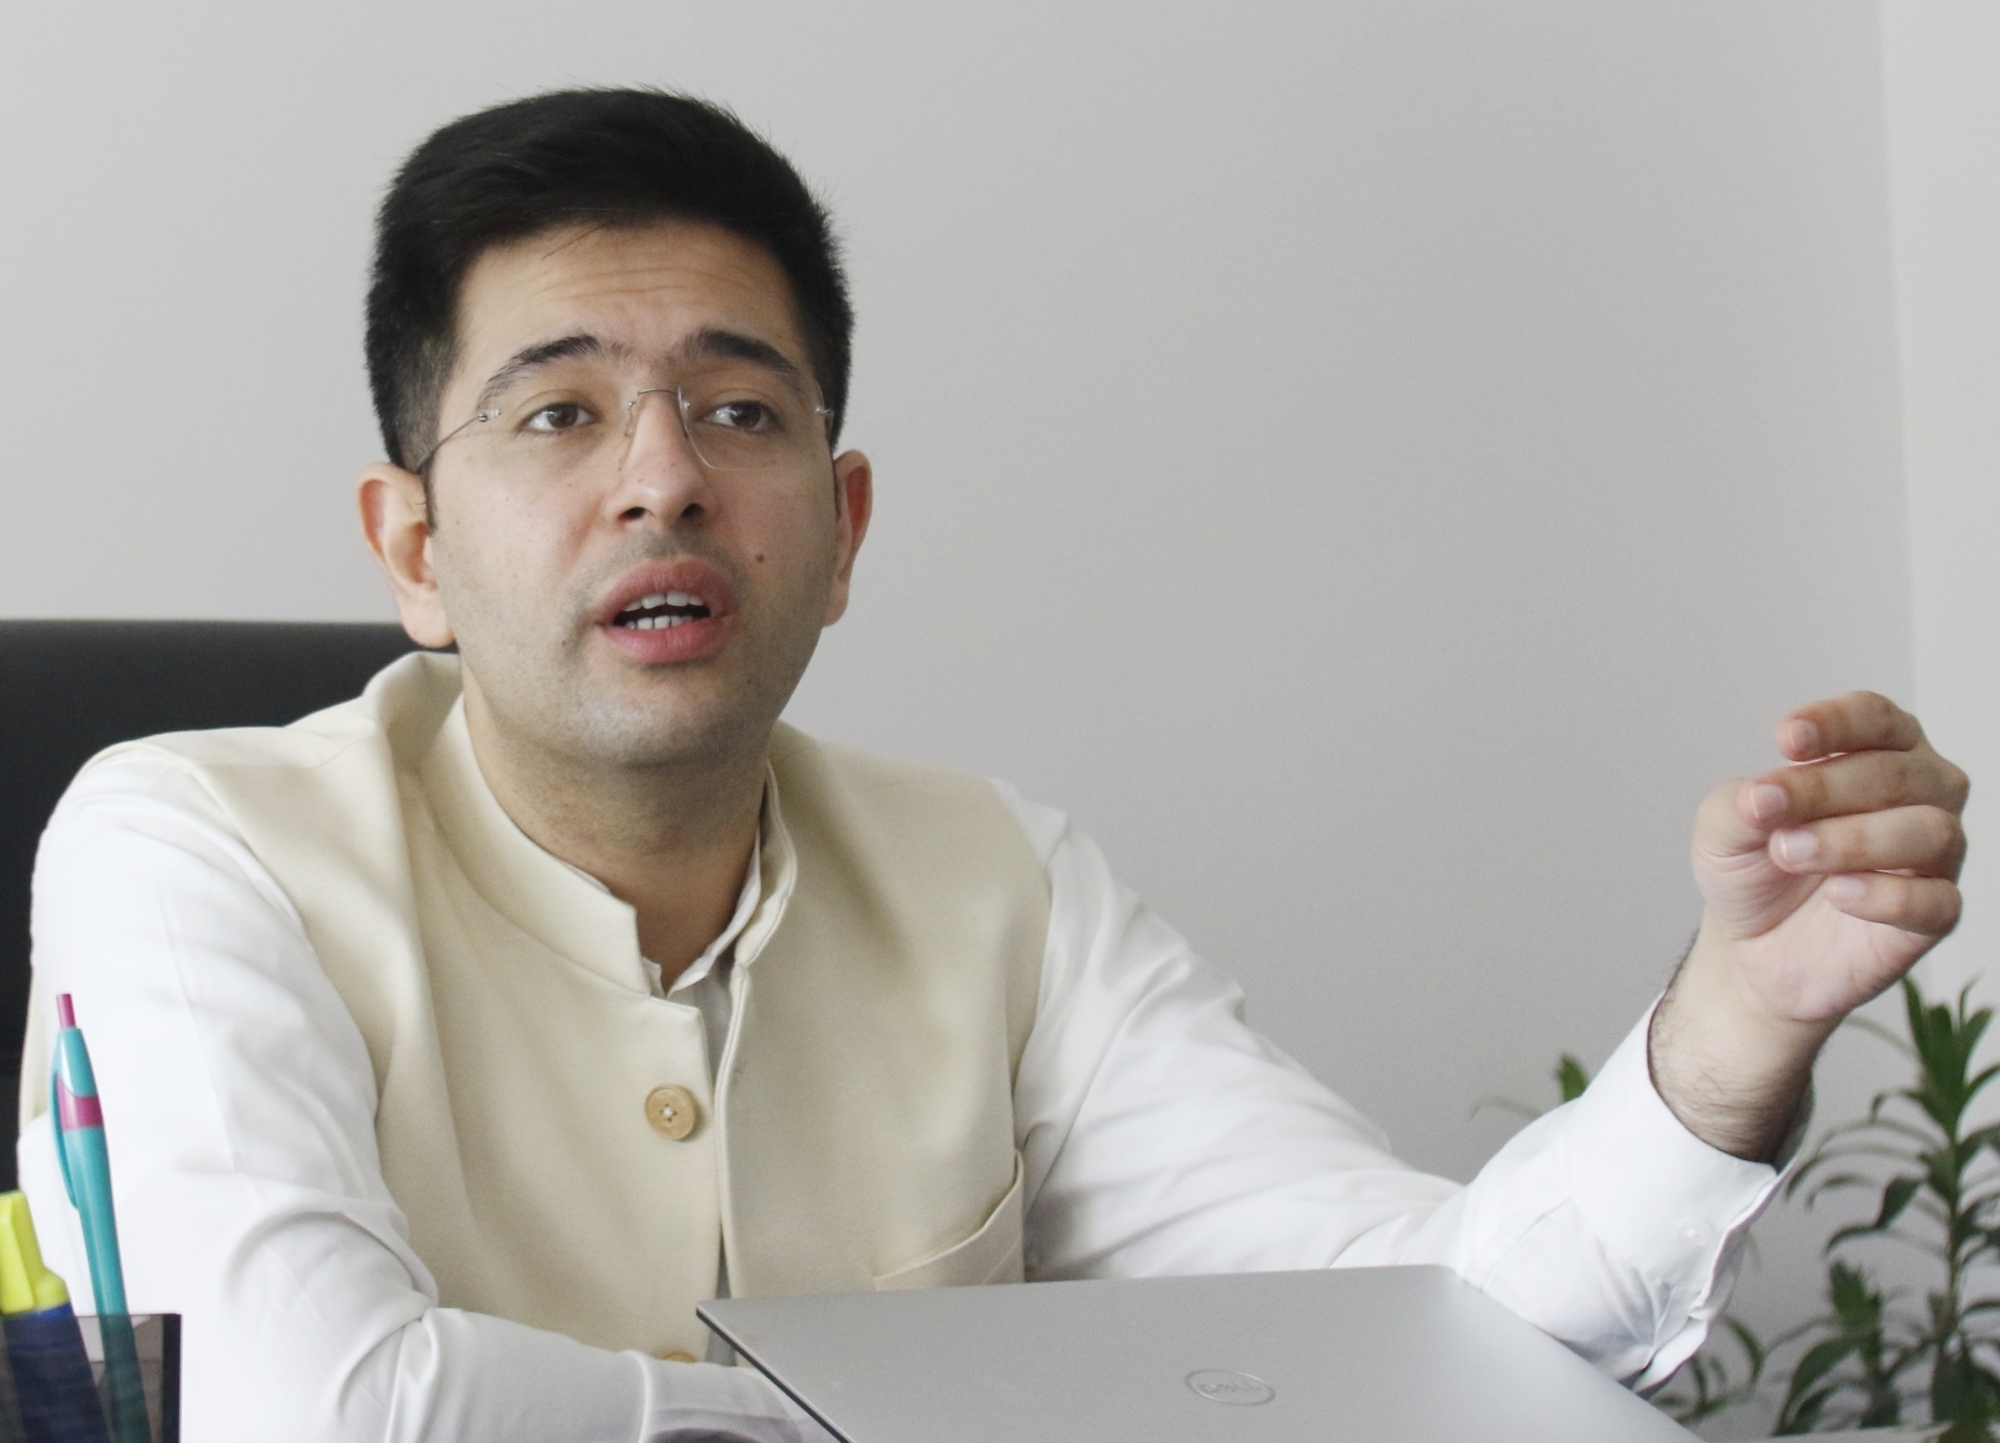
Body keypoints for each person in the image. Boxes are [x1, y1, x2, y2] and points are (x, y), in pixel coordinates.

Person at [14, 88, 1968, 1443]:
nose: (663, 475)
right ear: (414, 551)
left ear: (842, 527)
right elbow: (293, 1403)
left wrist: (1730, 1031)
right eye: (558, 414)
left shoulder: (996, 881)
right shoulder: (191, 841)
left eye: (738, 408)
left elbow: (1444, 1321)